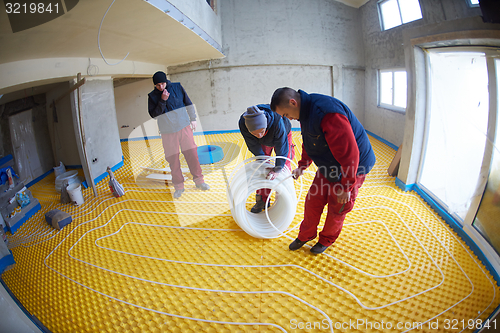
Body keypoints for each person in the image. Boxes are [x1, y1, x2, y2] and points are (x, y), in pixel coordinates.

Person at [270, 87, 376, 254]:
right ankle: (306, 235)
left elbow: (350, 154)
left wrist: (346, 186)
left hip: (353, 167)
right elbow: (310, 141)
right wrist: (302, 166)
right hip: (329, 163)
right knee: (313, 201)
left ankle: (326, 239)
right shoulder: (304, 114)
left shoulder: (328, 114)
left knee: (338, 206)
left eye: (285, 114)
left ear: (293, 102)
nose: (287, 119)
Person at [148, 71, 210, 199]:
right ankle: (179, 187)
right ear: (154, 85)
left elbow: (188, 103)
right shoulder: (152, 96)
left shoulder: (177, 87)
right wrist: (162, 100)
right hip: (167, 132)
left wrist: (193, 118)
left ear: (166, 81)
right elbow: (154, 115)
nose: (161, 87)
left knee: (192, 153)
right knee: (173, 159)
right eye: (158, 85)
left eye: (163, 84)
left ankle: (199, 181)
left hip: (184, 127)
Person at [239, 104, 295, 213]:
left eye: (261, 131)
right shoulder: (243, 123)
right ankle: (263, 200)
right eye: (255, 133)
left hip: (283, 134)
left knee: (285, 167)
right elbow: (253, 145)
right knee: (263, 167)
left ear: (266, 125)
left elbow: (282, 148)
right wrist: (262, 160)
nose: (259, 135)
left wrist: (278, 169)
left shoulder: (277, 121)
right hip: (265, 140)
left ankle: (282, 200)